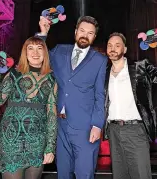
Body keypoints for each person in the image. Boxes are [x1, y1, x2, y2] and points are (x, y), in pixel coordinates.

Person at [36, 16, 107, 179]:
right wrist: (43, 33)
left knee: (84, 173)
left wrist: (97, 125)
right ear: (75, 32)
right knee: (63, 172)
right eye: (82, 30)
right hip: (60, 125)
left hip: (86, 128)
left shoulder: (100, 60)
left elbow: (99, 94)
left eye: (90, 33)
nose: (85, 35)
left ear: (94, 37)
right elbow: (39, 58)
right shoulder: (59, 50)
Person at [104, 32, 157, 179]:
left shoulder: (140, 67)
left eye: (117, 45)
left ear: (124, 49)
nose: (113, 48)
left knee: (141, 175)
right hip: (113, 131)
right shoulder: (104, 73)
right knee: (119, 175)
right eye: (110, 45)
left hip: (135, 130)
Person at [0, 37, 58, 179]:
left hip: (37, 140)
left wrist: (50, 147)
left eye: (39, 48)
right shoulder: (14, 74)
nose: (35, 52)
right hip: (11, 138)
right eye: (30, 48)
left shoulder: (51, 79)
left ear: (45, 52)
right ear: (25, 52)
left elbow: (51, 114)